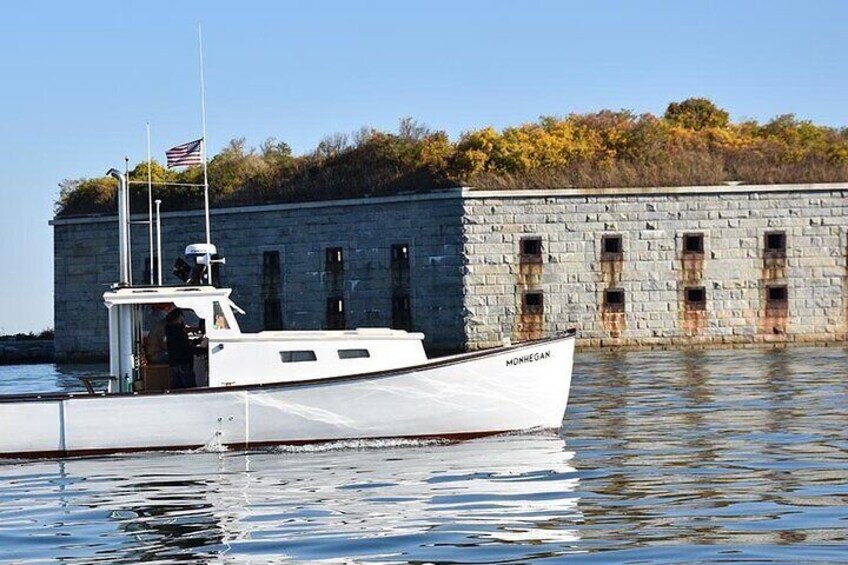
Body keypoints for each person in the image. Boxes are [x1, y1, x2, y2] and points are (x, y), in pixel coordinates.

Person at [165, 308, 198, 389]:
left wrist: (196, 342)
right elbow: (186, 348)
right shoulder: (178, 331)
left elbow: (182, 344)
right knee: (188, 388)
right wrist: (201, 349)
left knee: (178, 388)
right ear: (179, 317)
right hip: (182, 363)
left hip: (175, 362)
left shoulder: (170, 329)